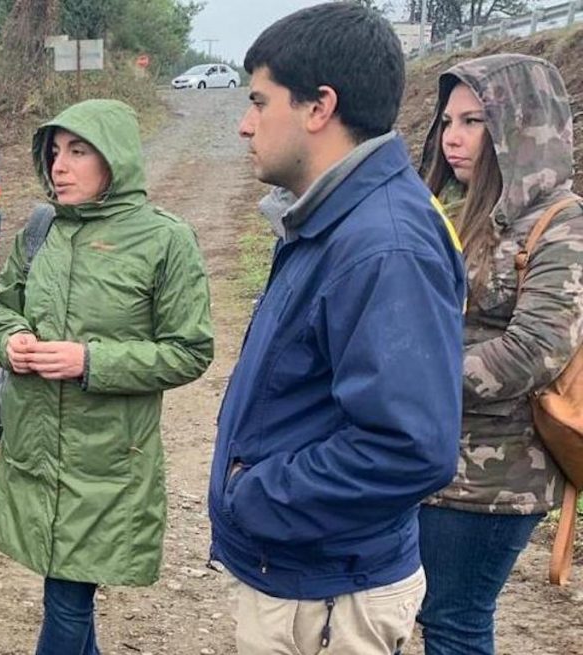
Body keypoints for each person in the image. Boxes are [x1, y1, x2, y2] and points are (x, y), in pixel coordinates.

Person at [207, 4, 467, 654]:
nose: (245, 125)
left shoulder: (384, 244)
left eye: (259, 102)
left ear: (319, 107)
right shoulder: (333, 219)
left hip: (328, 597)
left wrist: (255, 494)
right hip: (307, 576)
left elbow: (410, 446)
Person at [0, 99, 214, 654]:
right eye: (55, 152)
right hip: (35, 453)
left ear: (116, 160)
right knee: (63, 588)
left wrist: (91, 362)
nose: (59, 166)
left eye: (78, 152)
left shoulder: (166, 241)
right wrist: (9, 338)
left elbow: (190, 350)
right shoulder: (41, 231)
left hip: (108, 464)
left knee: (67, 595)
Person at [416, 54, 583, 655]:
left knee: (455, 622)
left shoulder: (562, 225)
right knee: (425, 617)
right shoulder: (464, 213)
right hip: (431, 453)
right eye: (447, 121)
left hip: (497, 476)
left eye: (475, 121)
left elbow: (534, 349)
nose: (453, 138)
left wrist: (409, 380)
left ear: (522, 126)